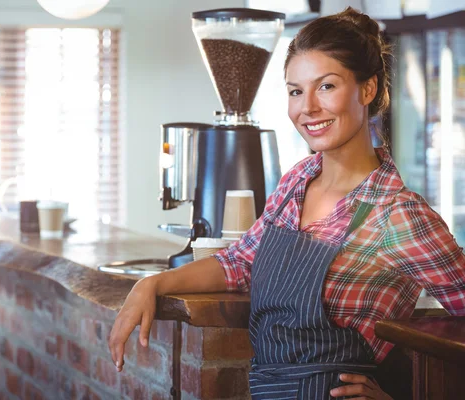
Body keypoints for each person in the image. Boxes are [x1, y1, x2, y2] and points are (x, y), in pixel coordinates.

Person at [108, 7, 465, 400]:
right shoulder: (296, 181)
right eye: (296, 91)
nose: (307, 107)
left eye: (326, 86)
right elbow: (239, 263)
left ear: (368, 89)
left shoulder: (396, 212)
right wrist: (153, 283)